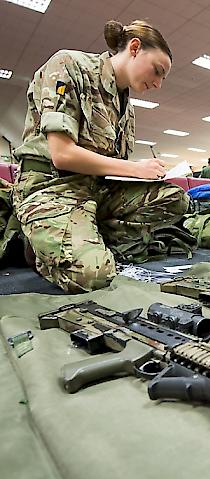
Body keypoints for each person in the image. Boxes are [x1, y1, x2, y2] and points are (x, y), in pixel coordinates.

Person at [12, 19, 188, 293]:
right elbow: (62, 154)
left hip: (96, 191)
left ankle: (85, 237)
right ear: (134, 48)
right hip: (51, 187)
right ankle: (37, 244)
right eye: (157, 71)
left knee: (175, 199)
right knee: (93, 275)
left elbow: (110, 168)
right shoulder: (70, 65)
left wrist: (148, 172)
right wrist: (136, 169)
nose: (158, 84)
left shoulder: (126, 108)